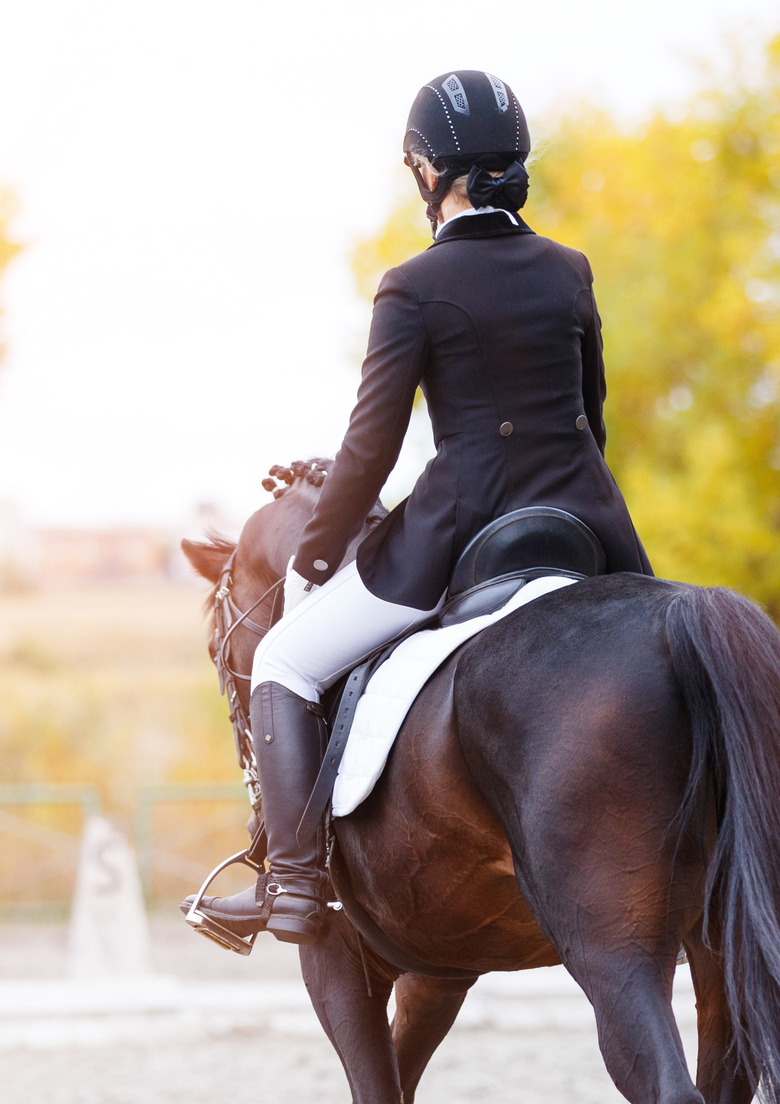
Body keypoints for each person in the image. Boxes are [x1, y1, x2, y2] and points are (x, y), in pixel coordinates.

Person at [191, 70, 653, 947]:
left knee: (286, 661)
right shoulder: (568, 270)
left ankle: (291, 885)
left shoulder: (411, 285)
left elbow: (369, 452)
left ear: (424, 171)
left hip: (461, 533)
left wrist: (315, 558)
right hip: (588, 524)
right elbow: (592, 418)